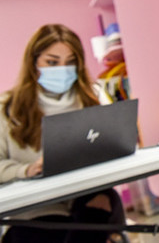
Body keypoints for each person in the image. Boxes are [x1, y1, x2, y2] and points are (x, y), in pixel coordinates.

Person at [0, 24, 126, 243]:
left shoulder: (94, 97)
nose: (62, 69)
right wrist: (26, 169)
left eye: (70, 62)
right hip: (34, 207)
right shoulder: (7, 108)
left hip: (87, 196)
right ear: (33, 63)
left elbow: (116, 142)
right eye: (52, 62)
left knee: (98, 205)